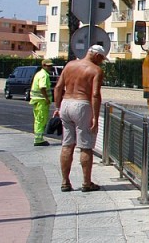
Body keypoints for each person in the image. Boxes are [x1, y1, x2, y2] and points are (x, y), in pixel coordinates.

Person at [53, 44, 106, 192]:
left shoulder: (70, 65)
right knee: (86, 145)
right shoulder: (96, 70)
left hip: (66, 103)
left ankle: (65, 182)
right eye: (101, 59)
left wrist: (57, 108)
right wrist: (95, 117)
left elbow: (58, 87)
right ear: (96, 55)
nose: (101, 62)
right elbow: (95, 95)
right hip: (82, 104)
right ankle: (86, 183)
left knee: (67, 144)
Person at [29, 59, 55, 146]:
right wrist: (47, 98)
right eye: (48, 66)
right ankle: (39, 139)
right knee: (41, 119)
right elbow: (42, 87)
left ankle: (38, 137)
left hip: (37, 100)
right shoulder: (44, 75)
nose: (50, 67)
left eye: (51, 66)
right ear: (43, 65)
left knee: (38, 119)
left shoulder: (39, 74)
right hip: (41, 101)